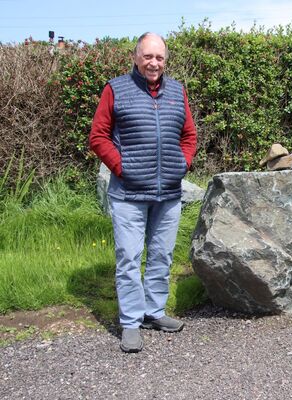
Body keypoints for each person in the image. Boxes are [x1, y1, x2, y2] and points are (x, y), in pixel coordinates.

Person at [89, 32, 197, 353]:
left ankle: (154, 311)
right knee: (129, 258)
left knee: (161, 256)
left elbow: (189, 135)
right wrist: (122, 169)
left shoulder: (178, 91)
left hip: (168, 193)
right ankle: (131, 321)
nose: (154, 63)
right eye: (148, 56)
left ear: (165, 60)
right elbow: (99, 136)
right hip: (128, 193)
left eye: (159, 58)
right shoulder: (116, 89)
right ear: (136, 57)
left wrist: (182, 164)